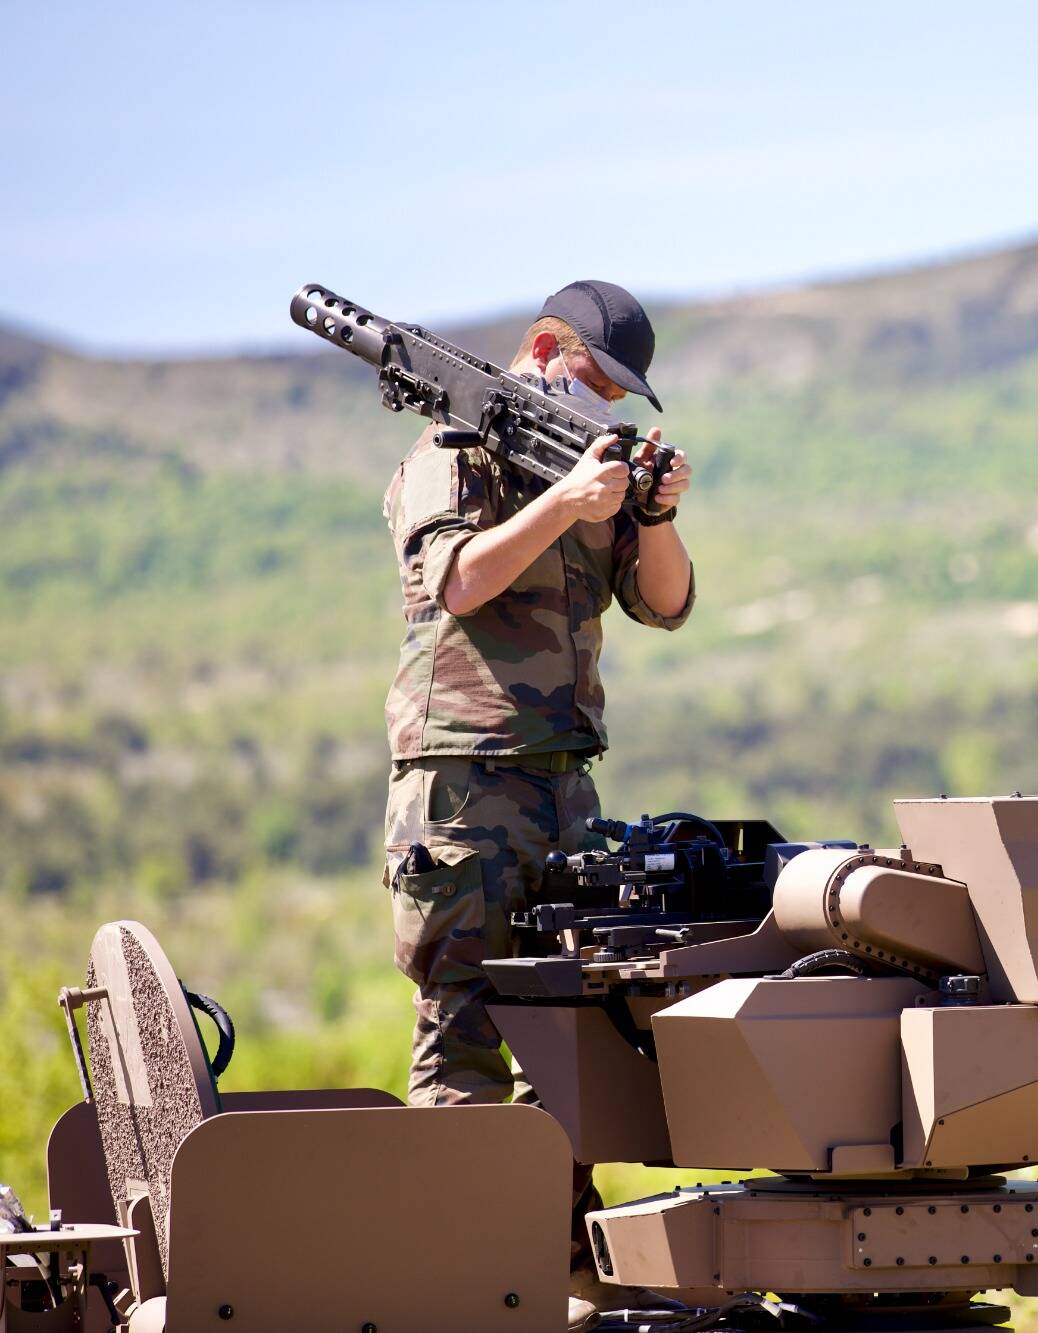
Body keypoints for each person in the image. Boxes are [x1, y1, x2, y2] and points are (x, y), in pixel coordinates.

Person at [379, 279, 692, 1330]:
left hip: (564, 784)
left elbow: (667, 602)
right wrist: (559, 505)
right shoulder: (455, 452)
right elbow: (455, 581)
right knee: (464, 1030)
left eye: (618, 396)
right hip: (462, 782)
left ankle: (556, 1259)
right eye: (595, 382)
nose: (603, 407)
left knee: (576, 1032)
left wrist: (650, 514)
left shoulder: (585, 474)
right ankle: (457, 1277)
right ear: (545, 349)